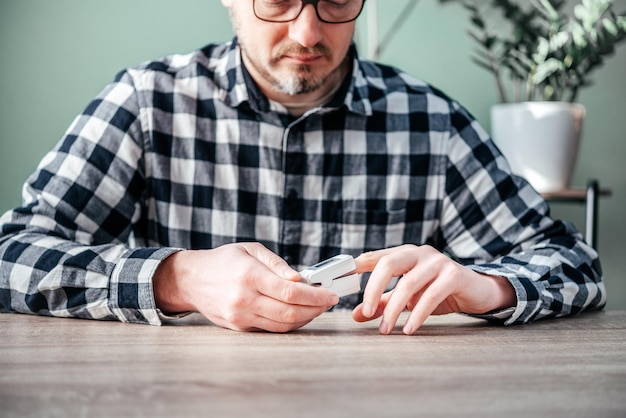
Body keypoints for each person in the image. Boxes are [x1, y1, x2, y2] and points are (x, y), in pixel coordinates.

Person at [0, 0, 605, 335]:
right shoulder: (146, 102)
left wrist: (488, 287)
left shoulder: (433, 121)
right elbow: (12, 254)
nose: (308, 31)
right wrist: (174, 279)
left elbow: (575, 265)